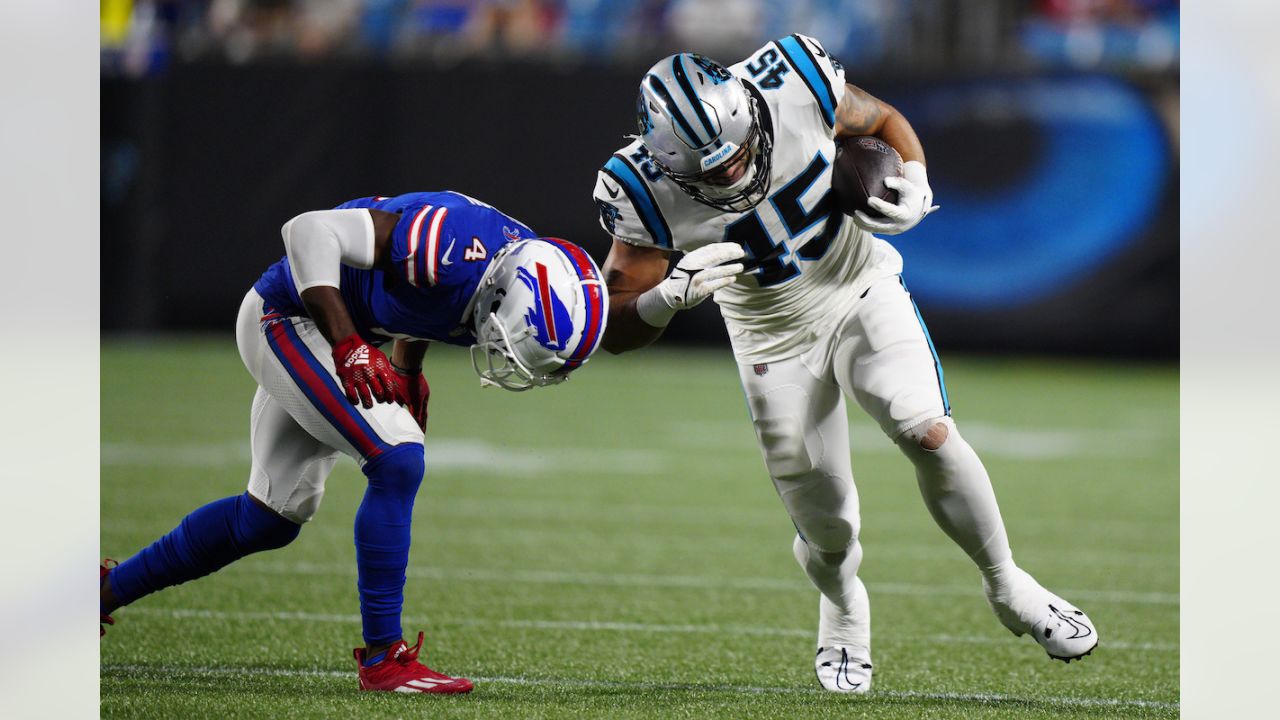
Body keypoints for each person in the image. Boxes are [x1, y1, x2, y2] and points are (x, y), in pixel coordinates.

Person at [591, 37, 1097, 693]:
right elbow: (617, 328)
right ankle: (843, 605)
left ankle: (1009, 585)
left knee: (927, 430)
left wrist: (915, 180)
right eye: (710, 173)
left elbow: (884, 121)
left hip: (857, 286)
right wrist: (664, 298)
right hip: (771, 339)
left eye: (740, 155)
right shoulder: (639, 189)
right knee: (827, 528)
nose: (733, 174)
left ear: (748, 109)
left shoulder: (793, 81)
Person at [100, 190, 608, 694]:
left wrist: (408, 365)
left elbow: (427, 300)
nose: (496, 351)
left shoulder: (509, 268)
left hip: (332, 328)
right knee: (398, 460)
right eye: (504, 339)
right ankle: (385, 658)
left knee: (269, 519)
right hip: (288, 316)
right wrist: (349, 345)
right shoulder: (452, 245)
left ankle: (103, 591)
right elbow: (306, 229)